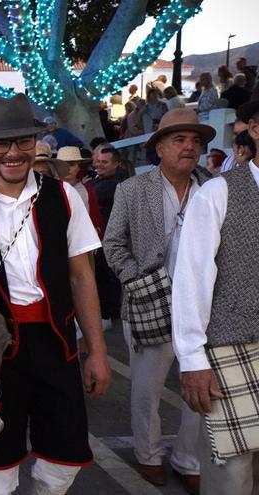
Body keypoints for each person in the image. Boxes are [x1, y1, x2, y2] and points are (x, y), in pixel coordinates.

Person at [0, 93, 110, 495]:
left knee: (63, 456)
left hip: (56, 343)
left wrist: (97, 351)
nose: (13, 153)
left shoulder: (65, 196)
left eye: (23, 142)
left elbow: (82, 277)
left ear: (35, 144)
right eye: (2, 143)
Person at [104, 108, 214, 494]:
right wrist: (136, 279)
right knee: (147, 389)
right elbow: (113, 243)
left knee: (200, 388)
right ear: (160, 148)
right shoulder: (132, 189)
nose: (189, 147)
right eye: (180, 140)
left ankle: (189, 459)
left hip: (202, 306)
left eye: (196, 141)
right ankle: (148, 454)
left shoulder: (214, 187)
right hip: (150, 300)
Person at [172, 100, 259, 495]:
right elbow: (191, 277)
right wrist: (192, 359)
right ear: (254, 129)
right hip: (229, 350)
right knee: (232, 476)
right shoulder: (220, 192)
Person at [88, 145, 123, 322]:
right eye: (98, 161)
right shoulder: (93, 182)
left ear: (116, 164)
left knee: (108, 276)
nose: (99, 165)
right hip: (94, 238)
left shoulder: (116, 185)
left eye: (105, 162)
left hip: (109, 238)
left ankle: (111, 314)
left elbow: (89, 197)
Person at [50, 147, 103, 237]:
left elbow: (96, 221)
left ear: (79, 167)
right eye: (63, 165)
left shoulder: (88, 192)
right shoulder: (49, 190)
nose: (67, 168)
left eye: (71, 164)